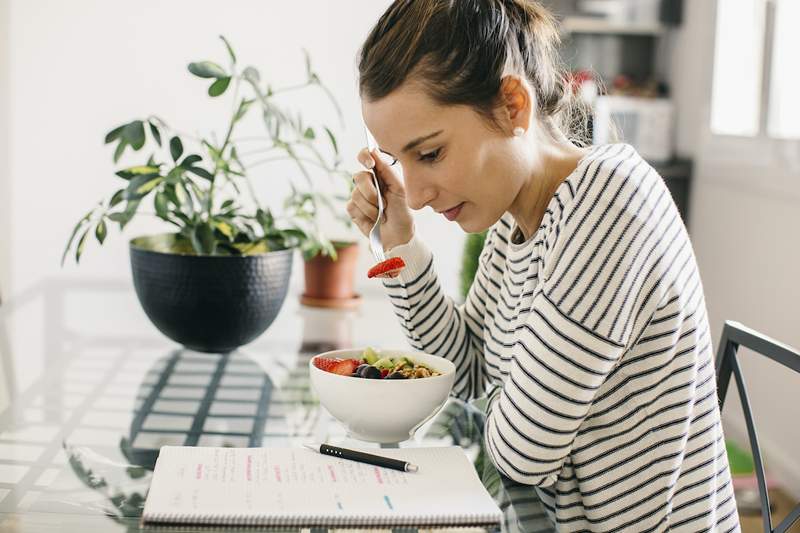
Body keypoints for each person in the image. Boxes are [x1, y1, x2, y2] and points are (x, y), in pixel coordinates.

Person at [346, 1, 740, 531]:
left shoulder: (608, 203)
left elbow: (522, 451)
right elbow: (466, 372)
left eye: (431, 154)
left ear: (512, 105)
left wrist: (513, 404)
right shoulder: (516, 226)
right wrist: (400, 245)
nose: (413, 195)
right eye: (399, 162)